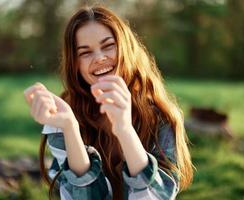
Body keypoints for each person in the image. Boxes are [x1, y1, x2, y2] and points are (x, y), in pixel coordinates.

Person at [24, 5, 193, 200]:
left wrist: (124, 129)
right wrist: (70, 129)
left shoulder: (161, 117)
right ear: (75, 64)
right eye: (85, 52)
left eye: (108, 46)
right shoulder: (65, 115)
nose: (100, 58)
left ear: (125, 48)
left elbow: (156, 197)